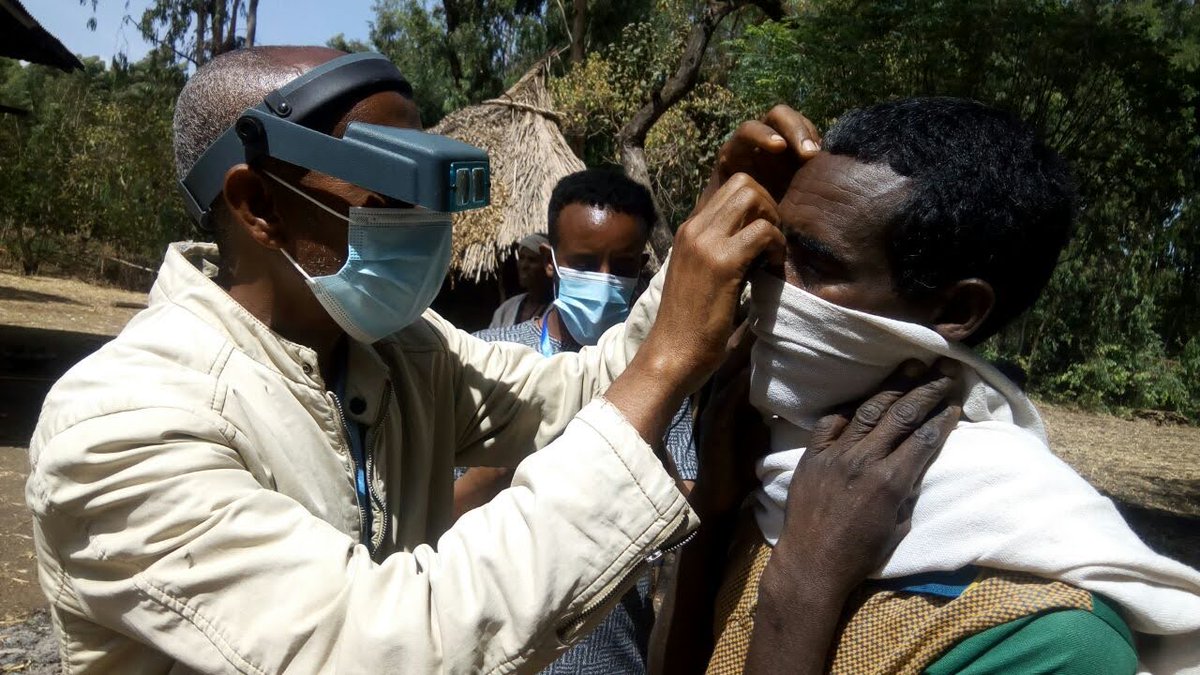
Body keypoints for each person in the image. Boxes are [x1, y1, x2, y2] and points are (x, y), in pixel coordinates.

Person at [22, 46, 954, 674]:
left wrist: (684, 272)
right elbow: (389, 644)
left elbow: (583, 393)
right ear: (259, 207)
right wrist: (669, 359)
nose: (427, 239)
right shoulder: (124, 420)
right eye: (386, 206)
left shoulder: (395, 351)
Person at [659, 100, 1200, 674]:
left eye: (815, 264)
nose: (768, 282)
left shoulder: (1052, 637)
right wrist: (713, 516)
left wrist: (803, 584)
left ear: (958, 309)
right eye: (772, 252)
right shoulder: (765, 474)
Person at [460, 168, 699, 675]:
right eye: (586, 263)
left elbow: (683, 512)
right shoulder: (484, 356)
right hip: (483, 644)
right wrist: (503, 467)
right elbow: (434, 517)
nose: (605, 279)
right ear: (551, 262)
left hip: (608, 653)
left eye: (624, 266)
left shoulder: (658, 374)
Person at [488, 232, 552, 328]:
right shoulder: (507, 309)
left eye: (532, 260)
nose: (523, 265)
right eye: (521, 258)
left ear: (548, 266)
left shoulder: (556, 310)